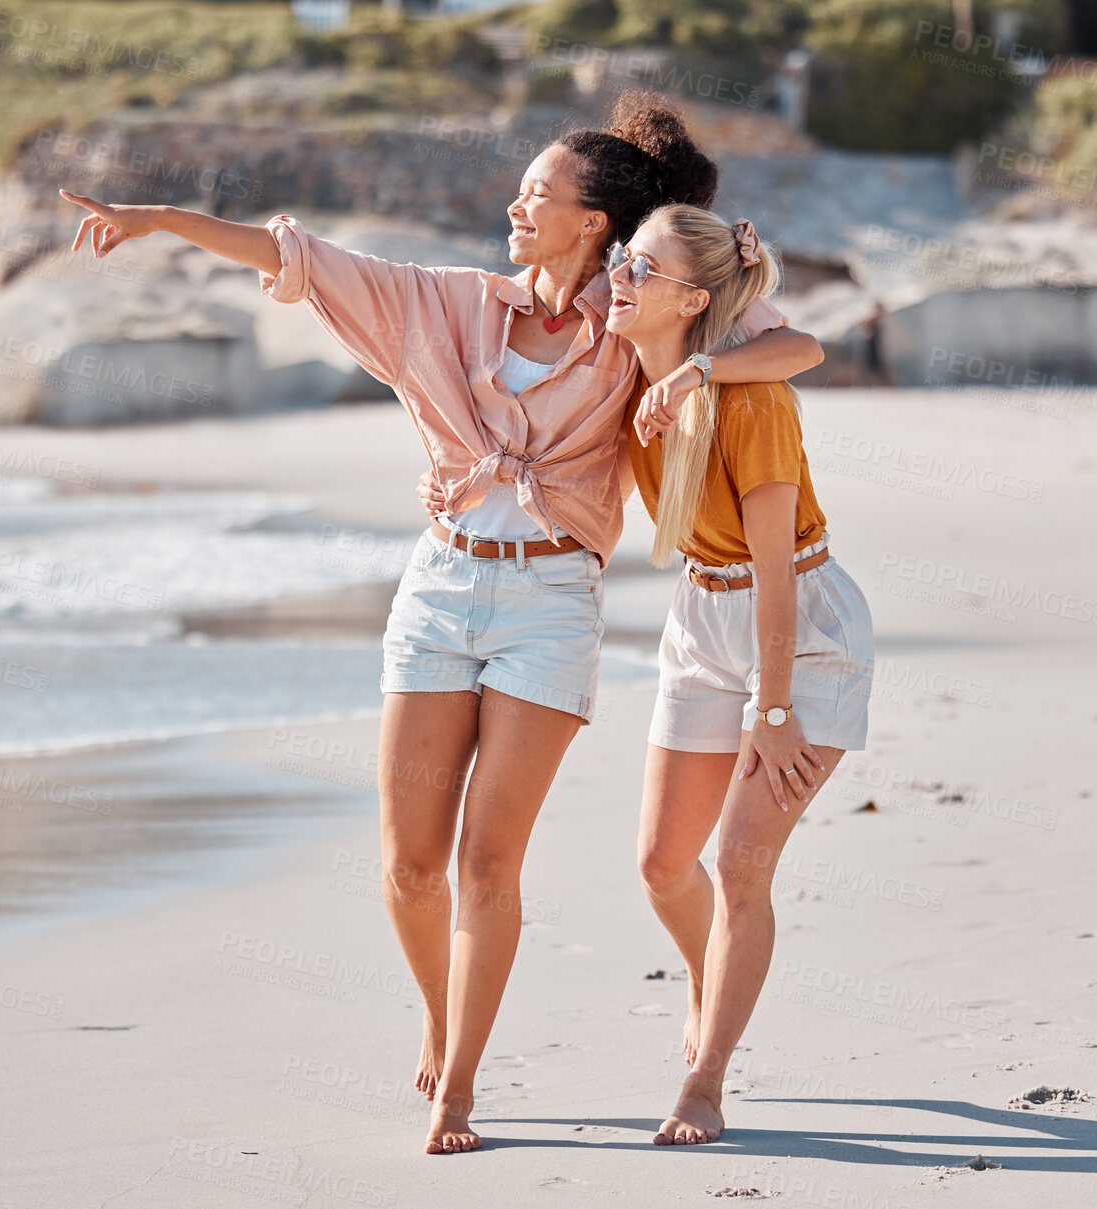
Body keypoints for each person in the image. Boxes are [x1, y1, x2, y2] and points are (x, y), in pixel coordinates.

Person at [58, 92, 826, 1154]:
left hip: (551, 604)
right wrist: (158, 216)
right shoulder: (447, 305)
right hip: (439, 589)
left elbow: (791, 344)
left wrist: (698, 360)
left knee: (484, 864)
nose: (516, 206)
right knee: (408, 866)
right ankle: (440, 1011)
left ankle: (457, 1087)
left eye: (537, 194)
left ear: (592, 223)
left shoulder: (636, 323)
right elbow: (302, 255)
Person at [611, 205, 876, 1145]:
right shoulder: (625, 376)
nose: (617, 277)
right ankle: (711, 974)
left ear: (690, 299)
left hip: (799, 631)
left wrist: (772, 709)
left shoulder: (747, 395)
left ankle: (705, 1078)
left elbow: (773, 572)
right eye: (618, 257)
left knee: (737, 864)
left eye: (637, 267)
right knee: (658, 862)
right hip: (700, 617)